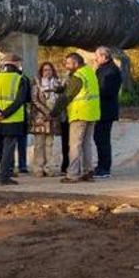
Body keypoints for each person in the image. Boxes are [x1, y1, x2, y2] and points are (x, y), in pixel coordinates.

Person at [0, 54, 32, 185]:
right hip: (13, 120)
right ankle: (4, 177)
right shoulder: (20, 79)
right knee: (8, 149)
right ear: (16, 63)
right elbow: (21, 100)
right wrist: (6, 113)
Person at [62, 52, 100, 182]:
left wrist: (53, 113)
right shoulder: (90, 72)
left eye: (68, 63)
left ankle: (72, 174)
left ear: (76, 63)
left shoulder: (78, 76)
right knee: (86, 144)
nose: (66, 66)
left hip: (79, 114)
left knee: (75, 145)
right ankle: (88, 171)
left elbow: (67, 96)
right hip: (92, 113)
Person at [29, 61, 63, 177]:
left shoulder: (57, 84)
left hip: (52, 118)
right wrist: (46, 112)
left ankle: (49, 168)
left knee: (50, 144)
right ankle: (38, 168)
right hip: (40, 117)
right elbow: (34, 100)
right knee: (39, 144)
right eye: (45, 70)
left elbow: (60, 99)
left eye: (49, 70)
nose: (47, 72)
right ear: (41, 72)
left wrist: (53, 112)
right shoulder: (37, 83)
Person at [94, 46, 123, 179]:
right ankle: (101, 165)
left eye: (97, 56)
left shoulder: (110, 71)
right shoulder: (105, 69)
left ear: (104, 56)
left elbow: (106, 91)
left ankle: (104, 168)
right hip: (102, 109)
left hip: (105, 110)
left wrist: (94, 93)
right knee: (99, 138)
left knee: (102, 139)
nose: (95, 59)